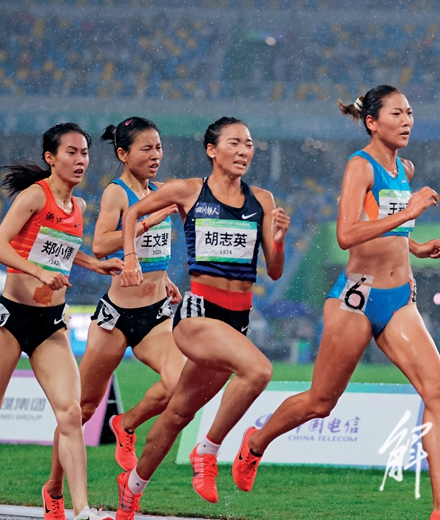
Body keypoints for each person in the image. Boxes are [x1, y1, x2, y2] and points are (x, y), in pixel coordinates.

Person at [230, 86, 440, 520]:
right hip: (358, 298)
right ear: (372, 122)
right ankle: (255, 442)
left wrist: (415, 245)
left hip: (400, 298)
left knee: (439, 389)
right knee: (320, 402)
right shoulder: (359, 166)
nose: (407, 121)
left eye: (410, 112)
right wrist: (408, 213)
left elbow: (383, 227)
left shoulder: (404, 168)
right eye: (397, 113)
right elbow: (347, 234)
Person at [0, 123, 122, 520]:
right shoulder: (35, 196)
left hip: (50, 324)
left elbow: (62, 249)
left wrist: (94, 264)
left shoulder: (79, 207)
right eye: (71, 152)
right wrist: (38, 272)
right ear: (51, 158)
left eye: (84, 153)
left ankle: (81, 509)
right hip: (10, 320)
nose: (80, 160)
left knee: (71, 414)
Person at [114, 117, 289, 519]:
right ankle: (207, 451)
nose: (244, 151)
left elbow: (275, 271)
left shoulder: (262, 200)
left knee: (177, 414)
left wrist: (278, 241)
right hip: (198, 315)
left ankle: (130, 492)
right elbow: (133, 213)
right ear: (212, 150)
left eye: (249, 144)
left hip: (236, 321)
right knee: (259, 371)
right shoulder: (189, 191)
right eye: (234, 143)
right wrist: (130, 257)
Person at [43, 117, 185, 520]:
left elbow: (154, 251)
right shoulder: (115, 192)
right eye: (146, 148)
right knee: (82, 409)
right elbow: (102, 244)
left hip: (156, 313)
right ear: (123, 154)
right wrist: (148, 219)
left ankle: (127, 423)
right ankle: (54, 489)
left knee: (179, 384)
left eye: (159, 147)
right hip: (117, 317)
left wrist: (165, 278)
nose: (156, 155)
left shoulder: (160, 191)